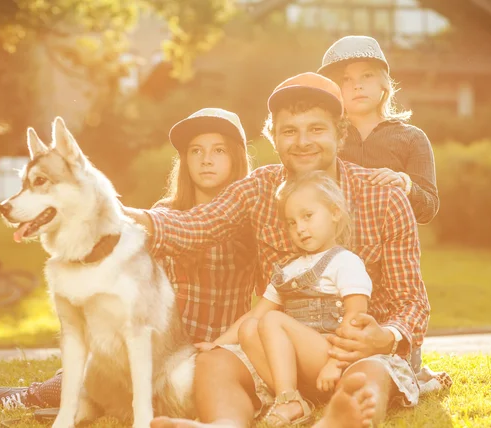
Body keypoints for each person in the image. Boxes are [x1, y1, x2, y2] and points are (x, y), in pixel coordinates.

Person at [124, 71, 434, 428]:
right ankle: (224, 424)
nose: (302, 142)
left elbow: (411, 300)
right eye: (289, 131)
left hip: (361, 351)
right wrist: (132, 218)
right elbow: (200, 224)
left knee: (367, 375)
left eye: (316, 129)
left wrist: (385, 336)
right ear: (273, 137)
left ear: (340, 133)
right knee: (213, 362)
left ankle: (339, 419)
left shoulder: (383, 196)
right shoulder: (259, 188)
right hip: (279, 353)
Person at [0, 107, 262, 413]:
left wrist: (228, 341)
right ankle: (42, 397)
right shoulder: (163, 213)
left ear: (236, 158)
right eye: (196, 151)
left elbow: (270, 298)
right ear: (185, 160)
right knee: (97, 363)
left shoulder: (249, 225)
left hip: (209, 354)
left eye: (219, 150)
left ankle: (74, 401)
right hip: (151, 344)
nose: (206, 159)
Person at [197, 171, 374, 426]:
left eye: (308, 216)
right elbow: (255, 315)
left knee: (272, 320)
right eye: (292, 223)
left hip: (334, 359)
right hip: (302, 371)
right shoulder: (290, 269)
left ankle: (289, 402)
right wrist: (218, 345)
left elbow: (356, 319)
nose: (300, 228)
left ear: (335, 213)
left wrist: (335, 363)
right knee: (250, 327)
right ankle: (292, 398)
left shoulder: (345, 262)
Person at [317, 35, 439, 225]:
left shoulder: (413, 138)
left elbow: (428, 209)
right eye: (346, 79)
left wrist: (404, 185)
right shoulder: (323, 137)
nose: (357, 85)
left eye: (367, 75)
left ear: (383, 82)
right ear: (334, 89)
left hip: (392, 249)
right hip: (334, 248)